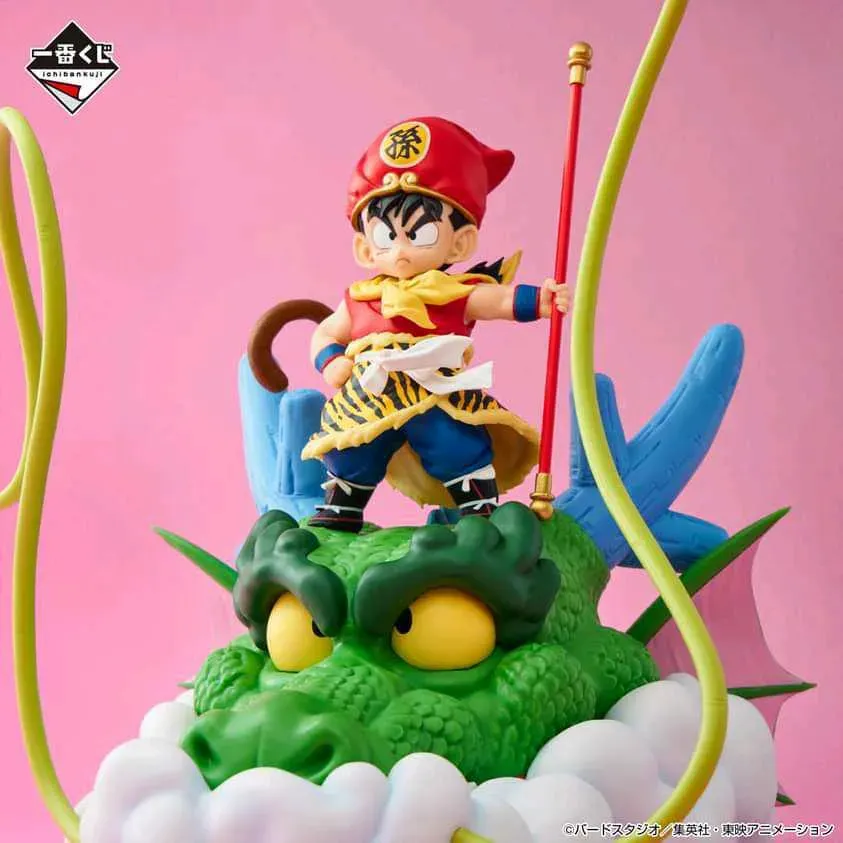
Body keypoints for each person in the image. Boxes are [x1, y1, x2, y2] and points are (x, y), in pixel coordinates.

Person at [302, 117, 569, 531]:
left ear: (460, 243)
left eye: (419, 234)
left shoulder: (451, 291)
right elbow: (324, 332)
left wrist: (541, 300)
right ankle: (343, 505)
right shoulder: (360, 297)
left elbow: (497, 300)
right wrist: (332, 359)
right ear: (365, 248)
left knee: (454, 441)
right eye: (386, 237)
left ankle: (478, 508)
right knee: (352, 446)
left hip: (434, 389)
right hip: (369, 393)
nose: (401, 251)